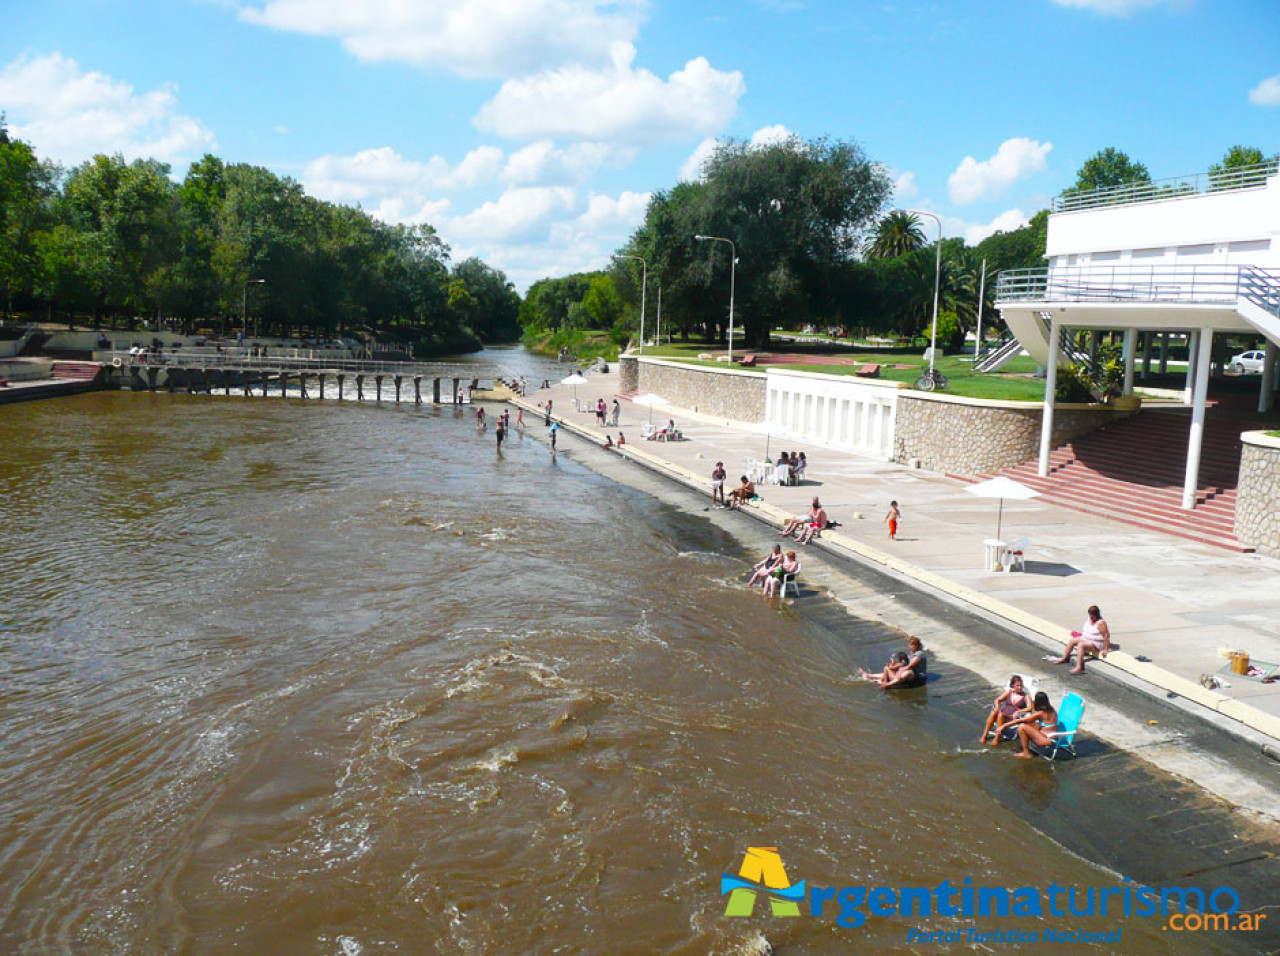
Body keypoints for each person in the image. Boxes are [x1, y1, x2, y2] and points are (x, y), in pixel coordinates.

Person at [1052, 605, 1111, 674]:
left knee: (1081, 645)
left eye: (1093, 616)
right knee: (1072, 641)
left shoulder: (1101, 623)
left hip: (1096, 643)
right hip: (1087, 639)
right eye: (1090, 615)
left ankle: (1079, 666)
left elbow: (1106, 636)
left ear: (1097, 614)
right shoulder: (1089, 618)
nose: (1091, 617)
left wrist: (1106, 650)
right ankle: (1064, 658)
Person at [979, 675, 1031, 746]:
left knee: (1001, 714)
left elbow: (1030, 707)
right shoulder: (1009, 692)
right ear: (1013, 685)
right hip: (1003, 714)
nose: (1020, 687)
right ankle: (984, 735)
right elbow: (998, 700)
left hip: (1013, 717)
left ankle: (997, 738)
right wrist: (997, 706)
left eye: (1021, 685)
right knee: (994, 712)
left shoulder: (1025, 696)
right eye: (1017, 685)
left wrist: (1019, 712)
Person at [859, 637, 927, 689]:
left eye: (912, 645)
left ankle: (887, 684)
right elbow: (905, 663)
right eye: (910, 645)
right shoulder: (912, 653)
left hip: (918, 677)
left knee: (907, 672)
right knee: (891, 671)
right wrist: (897, 668)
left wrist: (900, 671)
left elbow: (910, 666)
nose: (910, 647)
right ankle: (868, 675)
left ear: (917, 645)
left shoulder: (919, 654)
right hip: (911, 674)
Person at [1008, 692, 1059, 759]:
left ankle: (1026, 753)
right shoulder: (1052, 709)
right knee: (1029, 725)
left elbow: (1021, 720)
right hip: (1052, 737)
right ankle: (1023, 746)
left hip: (1047, 739)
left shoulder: (1041, 713)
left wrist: (1004, 725)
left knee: (1022, 727)